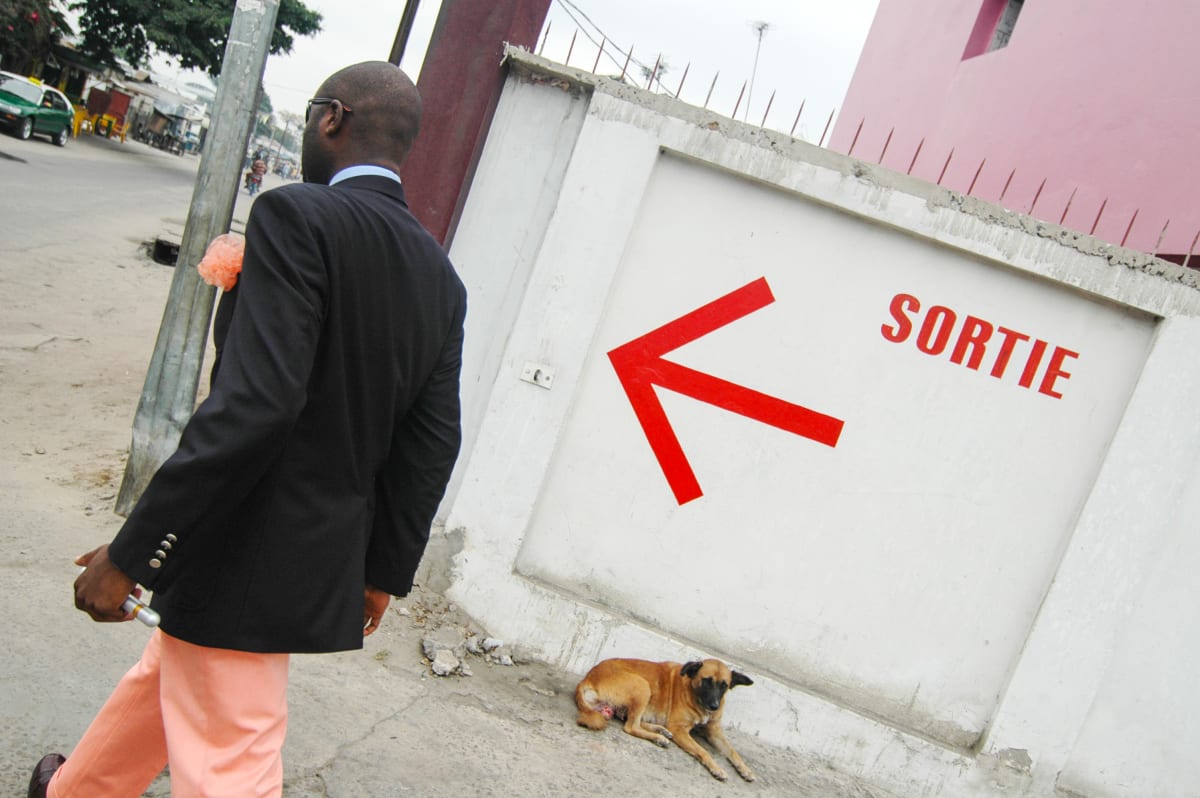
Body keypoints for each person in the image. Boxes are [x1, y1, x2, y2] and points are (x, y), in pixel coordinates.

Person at [29, 61, 467, 798]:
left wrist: (134, 551)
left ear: (332, 118)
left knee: (232, 760)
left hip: (248, 545)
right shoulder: (440, 277)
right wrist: (382, 571)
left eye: (306, 116)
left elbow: (257, 404)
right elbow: (432, 441)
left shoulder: (296, 216)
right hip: (311, 548)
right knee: (169, 677)